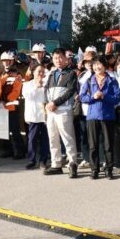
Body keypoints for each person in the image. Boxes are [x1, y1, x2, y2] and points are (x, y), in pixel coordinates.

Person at [79, 55, 120, 179]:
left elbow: (117, 98)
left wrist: (104, 96)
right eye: (95, 64)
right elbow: (82, 97)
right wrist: (93, 97)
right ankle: (94, 170)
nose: (97, 67)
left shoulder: (112, 80)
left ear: (105, 65)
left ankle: (109, 169)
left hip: (108, 116)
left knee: (108, 145)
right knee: (93, 145)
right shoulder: (88, 80)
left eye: (99, 64)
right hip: (92, 116)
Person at [43, 48, 80, 178]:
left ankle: (72, 163)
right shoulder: (51, 74)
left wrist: (55, 103)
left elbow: (70, 91)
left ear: (66, 59)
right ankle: (56, 164)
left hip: (63, 110)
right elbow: (46, 90)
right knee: (53, 138)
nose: (58, 60)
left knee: (68, 138)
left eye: (60, 58)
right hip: (51, 110)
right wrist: (47, 104)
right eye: (55, 58)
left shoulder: (71, 73)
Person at [22, 63, 49, 170]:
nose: (41, 74)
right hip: (33, 116)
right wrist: (36, 87)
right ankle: (32, 160)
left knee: (45, 140)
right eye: (39, 71)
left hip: (45, 116)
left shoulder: (47, 84)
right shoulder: (27, 84)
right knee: (32, 139)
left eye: (43, 71)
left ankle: (43, 160)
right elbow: (27, 96)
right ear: (33, 72)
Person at [0, 51, 26, 160]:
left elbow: (16, 91)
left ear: (12, 61)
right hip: (1, 107)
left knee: (15, 130)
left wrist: (5, 100)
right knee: (5, 131)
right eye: (4, 61)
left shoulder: (17, 74)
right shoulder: (1, 74)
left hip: (12, 107)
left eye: (8, 61)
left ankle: (20, 151)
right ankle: (8, 150)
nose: (6, 63)